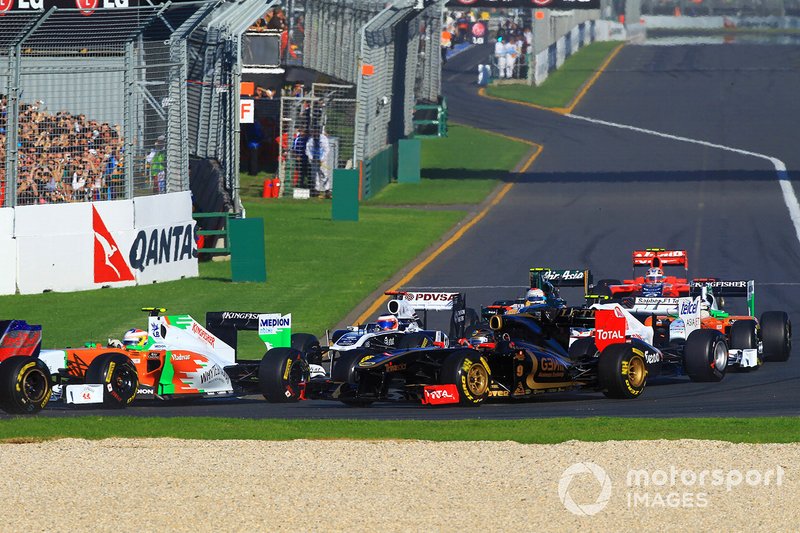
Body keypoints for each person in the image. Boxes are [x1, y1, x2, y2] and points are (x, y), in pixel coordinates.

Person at [305, 129, 331, 198]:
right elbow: (308, 150)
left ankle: (327, 190)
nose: (315, 134)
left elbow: (327, 150)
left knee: (324, 174)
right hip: (314, 160)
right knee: (315, 175)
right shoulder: (310, 140)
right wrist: (311, 158)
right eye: (314, 132)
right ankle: (317, 190)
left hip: (322, 160)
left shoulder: (324, 139)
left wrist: (322, 159)